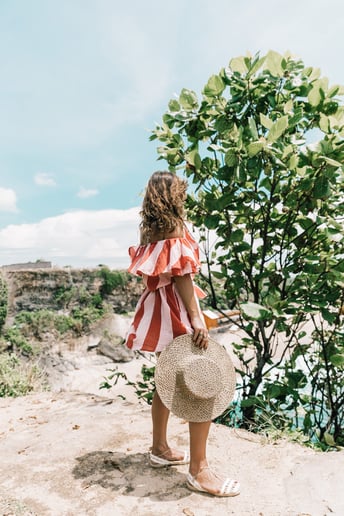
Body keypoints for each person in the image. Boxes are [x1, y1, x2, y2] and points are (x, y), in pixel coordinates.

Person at [125, 171, 240, 497]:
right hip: (176, 309)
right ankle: (199, 470)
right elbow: (182, 278)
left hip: (156, 310)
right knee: (200, 384)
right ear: (174, 196)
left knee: (169, 378)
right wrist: (196, 319)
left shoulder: (151, 229)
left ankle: (159, 448)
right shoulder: (175, 228)